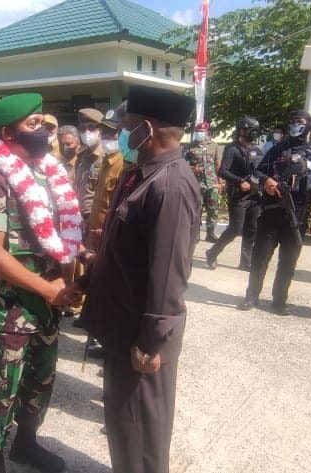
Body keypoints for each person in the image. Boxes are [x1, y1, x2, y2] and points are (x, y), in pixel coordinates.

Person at [80, 85, 200, 473]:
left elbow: (169, 274)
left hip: (140, 334)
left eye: (126, 127)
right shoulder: (141, 175)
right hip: (121, 326)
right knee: (122, 425)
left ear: (147, 129)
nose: (121, 136)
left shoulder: (171, 185)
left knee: (140, 432)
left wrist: (151, 340)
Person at [0, 93, 81, 473]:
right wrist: (47, 288)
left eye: (45, 123)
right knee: (1, 388)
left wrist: (68, 281)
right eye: (33, 124)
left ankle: (27, 444)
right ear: (7, 132)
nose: (44, 131)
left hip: (46, 306)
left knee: (40, 382)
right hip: (6, 309)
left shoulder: (49, 172)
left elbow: (64, 236)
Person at [237, 110, 311, 314]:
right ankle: (251, 297)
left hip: (298, 217)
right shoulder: (277, 149)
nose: (295, 125)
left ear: (309, 127)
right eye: (292, 122)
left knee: (288, 262)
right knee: (260, 257)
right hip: (271, 212)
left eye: (300, 122)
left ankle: (279, 301)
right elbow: (257, 172)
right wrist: (266, 180)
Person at [205, 116, 265, 271]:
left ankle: (246, 262)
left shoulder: (257, 150)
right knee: (235, 228)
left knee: (252, 228)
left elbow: (261, 171)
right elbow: (223, 171)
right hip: (238, 196)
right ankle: (212, 253)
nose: (253, 133)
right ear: (242, 130)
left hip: (255, 196)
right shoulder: (232, 149)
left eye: (255, 131)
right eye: (251, 130)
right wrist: (240, 181)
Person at [85, 105, 126, 250]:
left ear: (121, 133)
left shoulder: (123, 165)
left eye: (112, 132)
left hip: (108, 238)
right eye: (104, 131)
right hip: (95, 236)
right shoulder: (105, 161)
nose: (106, 136)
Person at [184, 121, 222, 242]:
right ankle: (196, 234)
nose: (199, 134)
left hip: (212, 183)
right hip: (196, 183)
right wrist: (192, 168)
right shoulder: (189, 147)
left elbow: (217, 164)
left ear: (207, 133)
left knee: (213, 209)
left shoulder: (214, 146)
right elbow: (182, 164)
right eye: (198, 132)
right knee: (196, 209)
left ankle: (211, 233)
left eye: (202, 132)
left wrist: (220, 181)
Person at [75, 108, 105, 225]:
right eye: (82, 129)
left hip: (96, 220)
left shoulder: (106, 157)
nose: (87, 132)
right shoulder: (81, 156)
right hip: (78, 218)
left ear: (100, 130)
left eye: (92, 127)